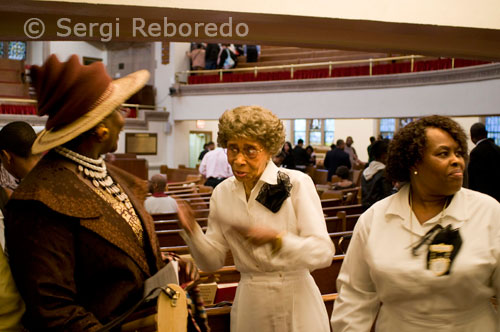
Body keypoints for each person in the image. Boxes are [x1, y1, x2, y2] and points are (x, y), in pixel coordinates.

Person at [4, 54, 204, 331]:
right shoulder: (39, 201)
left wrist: (166, 266)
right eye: (119, 110)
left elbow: (116, 258)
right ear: (99, 129)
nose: (125, 119)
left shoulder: (115, 177)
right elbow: (53, 309)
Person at [331, 115, 500, 331]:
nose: (457, 160)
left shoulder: (488, 212)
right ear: (413, 163)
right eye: (443, 153)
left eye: (459, 153)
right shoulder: (376, 218)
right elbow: (354, 296)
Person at [177, 106, 334, 332]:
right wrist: (191, 231)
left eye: (250, 150)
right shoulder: (222, 193)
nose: (239, 160)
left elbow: (323, 252)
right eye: (232, 149)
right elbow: (211, 262)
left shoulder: (294, 183)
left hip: (295, 301)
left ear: (269, 149)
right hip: (250, 301)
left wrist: (278, 240)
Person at [468, 122, 500, 202]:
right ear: (486, 133)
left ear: (472, 137)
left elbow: (472, 179)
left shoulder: (475, 153)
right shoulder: (497, 149)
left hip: (484, 197)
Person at [361, 139, 393, 211]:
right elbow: (388, 197)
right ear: (384, 156)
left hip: (366, 211)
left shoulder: (366, 171)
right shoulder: (384, 173)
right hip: (380, 211)